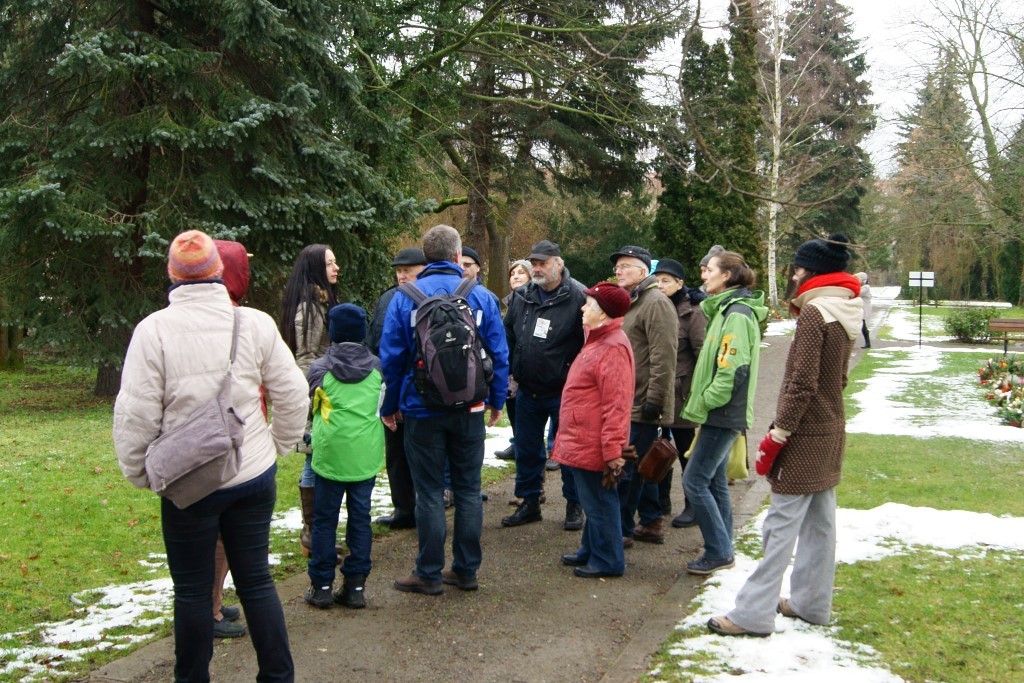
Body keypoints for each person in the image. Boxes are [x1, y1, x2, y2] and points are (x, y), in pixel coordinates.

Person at [114, 230, 307, 682]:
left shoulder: (153, 330)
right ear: (218, 272)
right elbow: (294, 391)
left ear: (172, 274)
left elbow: (136, 412)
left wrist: (140, 471)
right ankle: (278, 676)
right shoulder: (254, 323)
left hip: (188, 480)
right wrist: (275, 444)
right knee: (257, 581)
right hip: (252, 474)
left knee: (192, 592)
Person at [708, 234, 862, 638]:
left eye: (796, 268)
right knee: (820, 523)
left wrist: (780, 432)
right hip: (830, 426)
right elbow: (838, 378)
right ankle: (812, 603)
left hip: (805, 433)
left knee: (779, 527)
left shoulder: (815, 314)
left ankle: (752, 614)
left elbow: (801, 384)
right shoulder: (845, 307)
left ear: (809, 271)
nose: (792, 275)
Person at [379, 224, 509, 595]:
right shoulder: (480, 296)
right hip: (470, 407)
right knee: (468, 490)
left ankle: (429, 573)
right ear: (456, 256)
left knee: (430, 492)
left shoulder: (405, 298)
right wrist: (497, 400)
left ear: (425, 257)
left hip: (421, 410)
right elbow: (498, 354)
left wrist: (390, 407)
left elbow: (392, 360)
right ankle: (466, 570)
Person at [680, 251, 767, 576]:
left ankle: (718, 551)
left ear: (728, 275)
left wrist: (704, 403)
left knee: (694, 480)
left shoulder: (737, 315)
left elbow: (733, 371)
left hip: (722, 412)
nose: (703, 275)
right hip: (718, 411)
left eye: (709, 270)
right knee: (713, 479)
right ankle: (723, 545)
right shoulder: (724, 310)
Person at [500, 240, 587, 531]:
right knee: (527, 449)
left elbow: (589, 343)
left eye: (542, 263)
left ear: (558, 264)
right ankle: (529, 502)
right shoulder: (522, 295)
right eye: (533, 263)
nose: (536, 268)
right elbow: (509, 333)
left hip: (565, 391)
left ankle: (575, 505)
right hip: (527, 390)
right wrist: (512, 369)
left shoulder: (579, 296)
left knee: (568, 453)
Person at [304, 304, 384, 610]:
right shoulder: (377, 367)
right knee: (360, 518)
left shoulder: (320, 369)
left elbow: (314, 405)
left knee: (325, 520)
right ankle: (355, 586)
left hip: (330, 453)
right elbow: (380, 404)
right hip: (364, 454)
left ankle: (321, 585)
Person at [552, 282, 635, 578]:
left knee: (600, 503)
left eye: (589, 305)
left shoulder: (611, 346)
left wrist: (613, 450)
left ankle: (608, 560)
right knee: (592, 500)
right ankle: (591, 550)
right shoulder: (598, 339)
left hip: (593, 442)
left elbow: (617, 403)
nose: (582, 308)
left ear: (603, 314)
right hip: (582, 437)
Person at [611, 245, 678, 546]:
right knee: (637, 469)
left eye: (626, 265)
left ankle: (621, 531)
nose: (619, 271)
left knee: (627, 473)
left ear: (643, 270)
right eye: (617, 266)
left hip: (642, 403)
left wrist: (655, 402)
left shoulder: (656, 303)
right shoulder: (631, 301)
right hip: (627, 399)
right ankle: (650, 522)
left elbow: (664, 357)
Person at [279, 244, 339, 556]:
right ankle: (311, 532)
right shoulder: (311, 305)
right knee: (313, 457)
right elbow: (305, 356)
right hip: (317, 392)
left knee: (320, 456)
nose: (336, 267)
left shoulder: (321, 300)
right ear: (315, 267)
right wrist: (314, 396)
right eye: (329, 263)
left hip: (325, 388)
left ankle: (317, 532)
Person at [208, 239, 255, 639]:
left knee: (222, 534)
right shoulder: (241, 322)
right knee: (218, 534)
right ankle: (209, 609)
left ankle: (215, 601)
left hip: (222, 443)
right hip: (220, 446)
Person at [367, 247, 427, 529]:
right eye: (399, 271)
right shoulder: (388, 298)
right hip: (392, 384)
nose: (402, 276)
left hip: (424, 388)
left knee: (423, 452)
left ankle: (426, 507)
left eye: (408, 271)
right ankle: (403, 507)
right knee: (395, 452)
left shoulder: (430, 296)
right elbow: (376, 341)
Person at [651, 258, 707, 528]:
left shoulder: (693, 312)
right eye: (657, 279)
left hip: (683, 393)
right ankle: (661, 502)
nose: (660, 285)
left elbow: (702, 353)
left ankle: (693, 505)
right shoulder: (654, 306)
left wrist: (696, 390)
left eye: (666, 280)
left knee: (685, 451)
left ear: (680, 283)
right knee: (657, 449)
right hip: (658, 390)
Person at [494, 259, 533, 461]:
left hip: (526, 367)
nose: (515, 276)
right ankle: (516, 443)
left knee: (525, 414)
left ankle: (527, 449)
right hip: (510, 367)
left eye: (521, 273)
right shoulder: (510, 302)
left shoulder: (531, 301)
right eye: (512, 273)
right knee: (513, 409)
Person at [855, 272, 872, 348]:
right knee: (862, 325)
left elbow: (857, 293)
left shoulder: (866, 288)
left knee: (863, 325)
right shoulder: (863, 287)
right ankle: (867, 343)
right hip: (861, 307)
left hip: (864, 308)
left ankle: (868, 343)